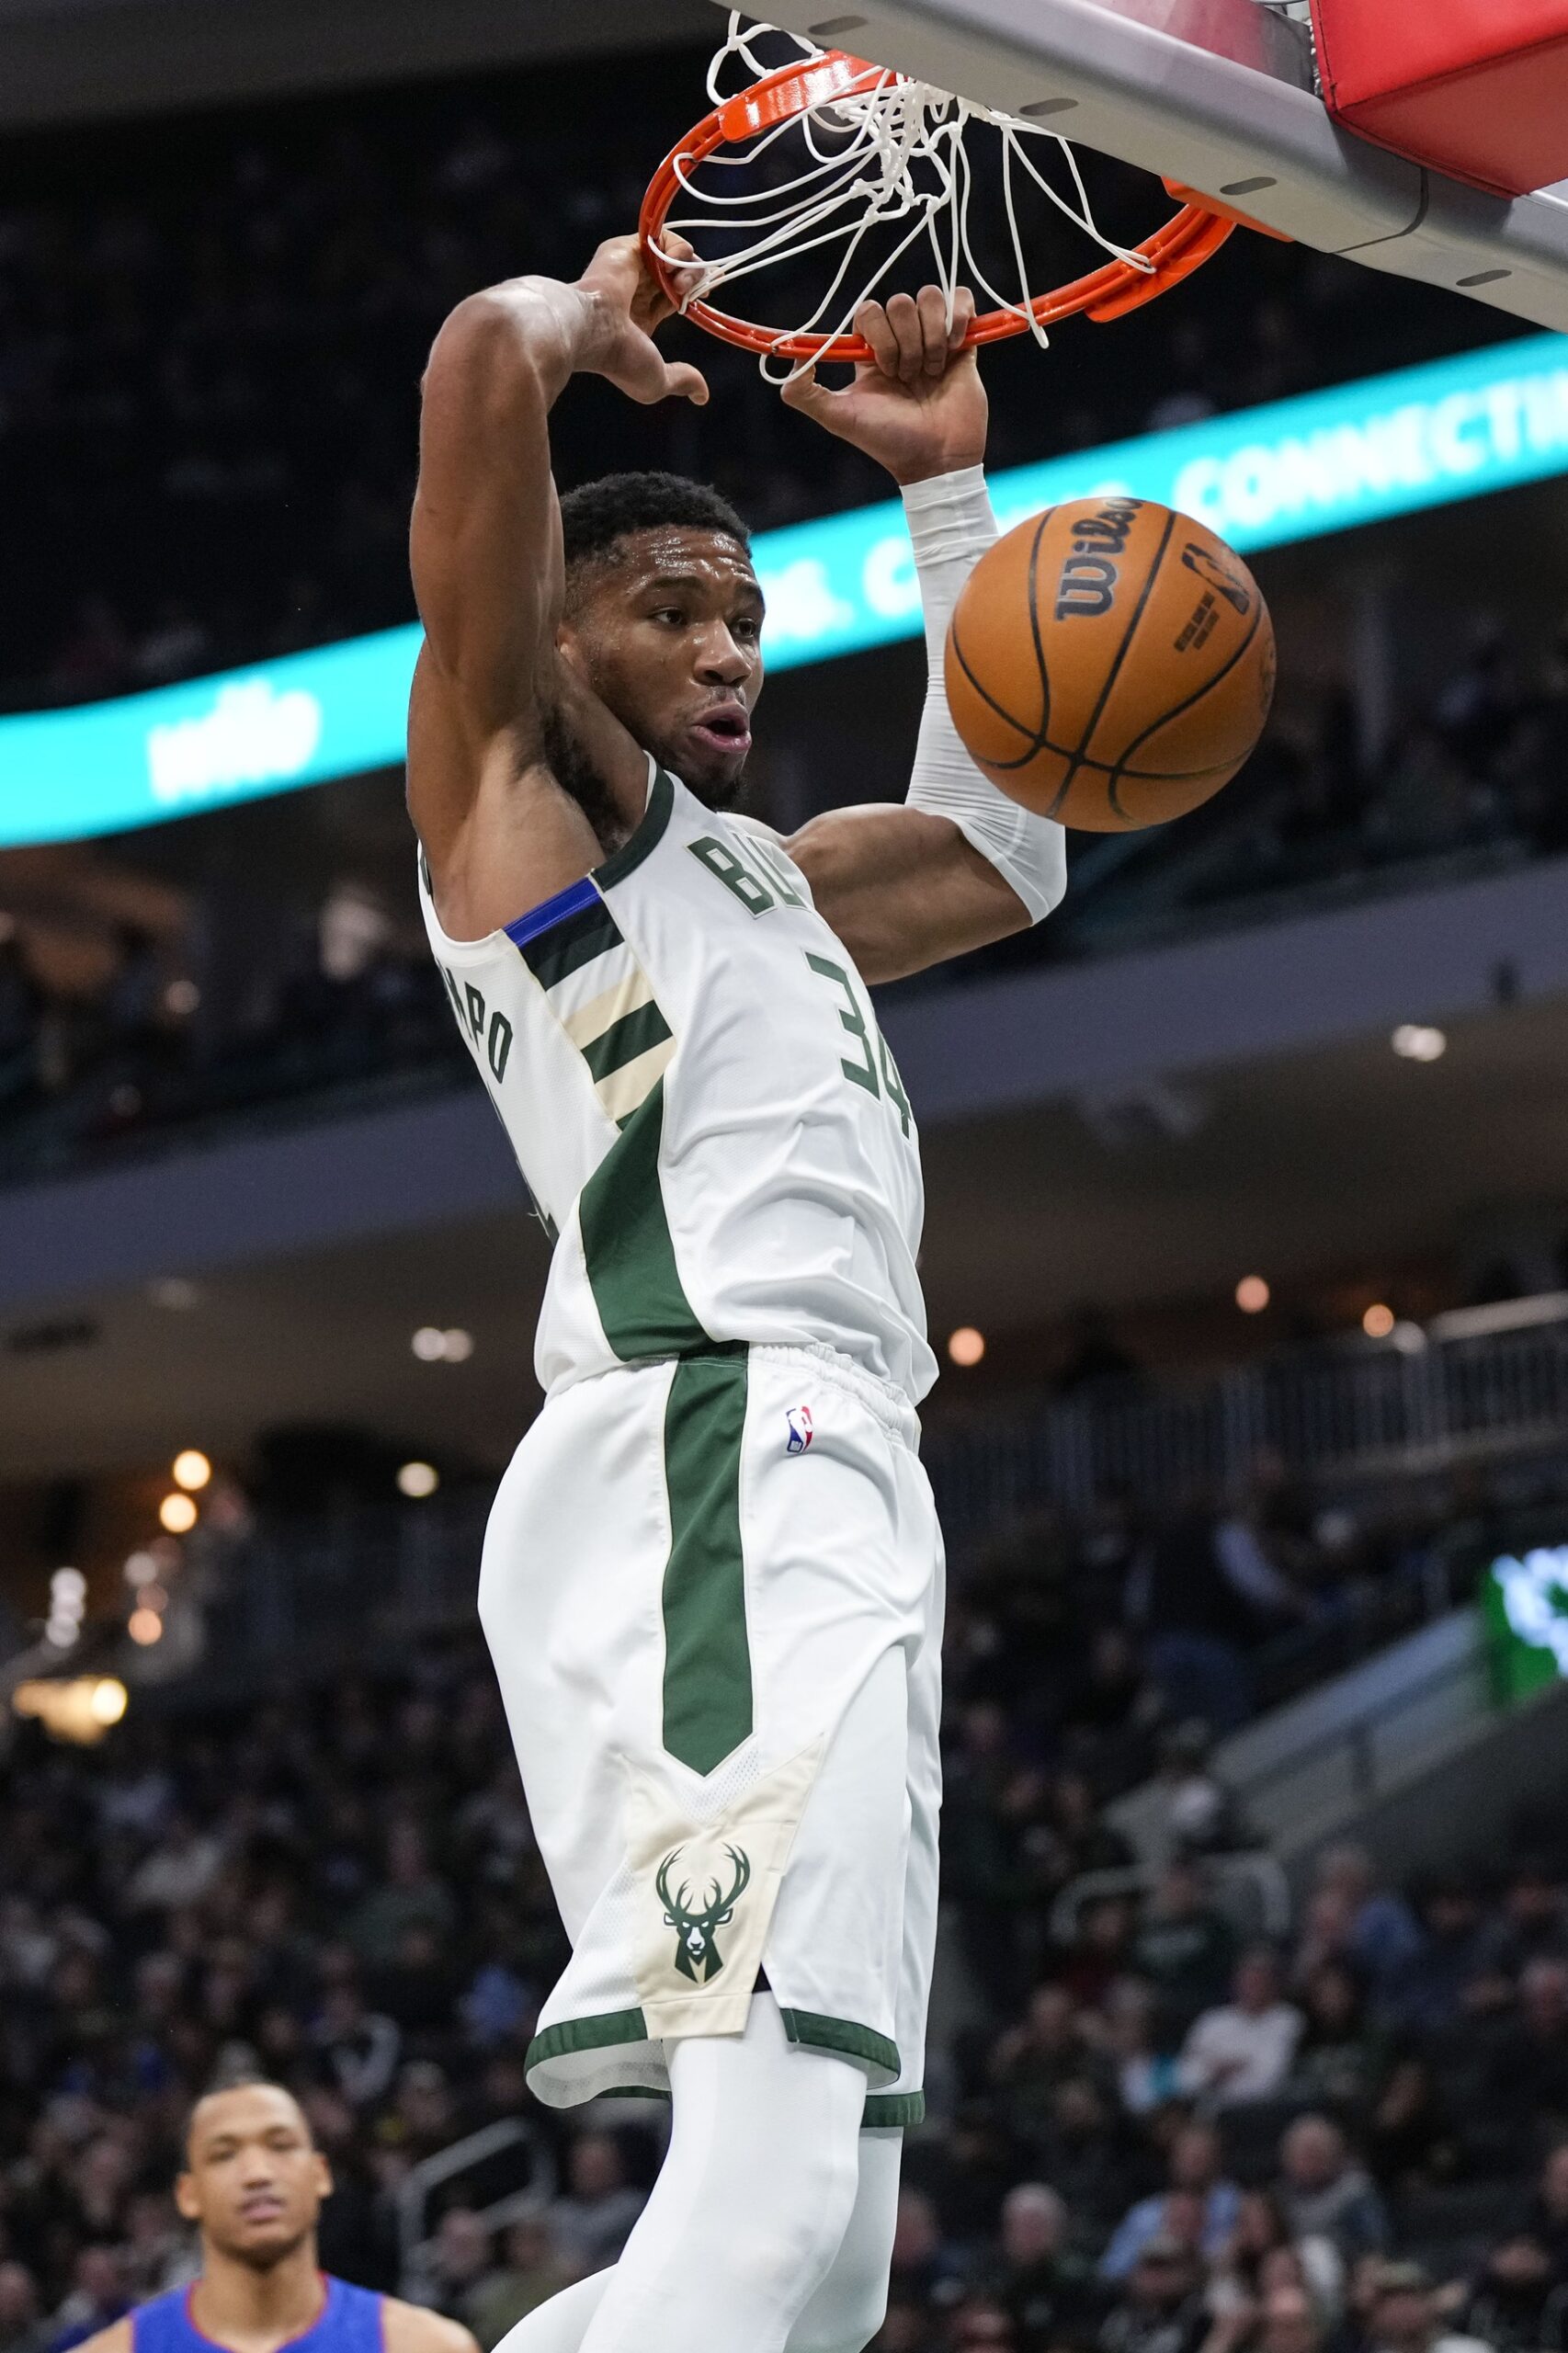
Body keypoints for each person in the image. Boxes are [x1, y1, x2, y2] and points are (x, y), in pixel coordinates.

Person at [407, 219, 1065, 2353]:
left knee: (827, 2253)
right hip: (718, 1445)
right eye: (663, 608)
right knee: (769, 2184)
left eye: (745, 616)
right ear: (564, 645)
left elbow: (1008, 849)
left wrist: (941, 491)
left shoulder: (761, 877)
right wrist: (535, 337)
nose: (724, 648)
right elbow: (469, 525)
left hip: (823, 1463)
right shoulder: (524, 816)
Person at [70, 2080, 475, 2353]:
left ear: (320, 2175)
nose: (257, 2174)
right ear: (189, 2194)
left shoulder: (428, 2345)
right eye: (224, 2154)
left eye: (280, 2146)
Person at [1178, 1949, 1305, 2108]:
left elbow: (1270, 2077)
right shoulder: (1212, 2021)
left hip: (1265, 2108)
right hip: (1211, 2108)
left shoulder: (1287, 2019)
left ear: (1273, 1984)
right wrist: (1230, 2068)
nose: (1252, 1988)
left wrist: (1219, 2070)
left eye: (1259, 1981)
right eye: (1247, 1981)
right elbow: (1186, 2076)